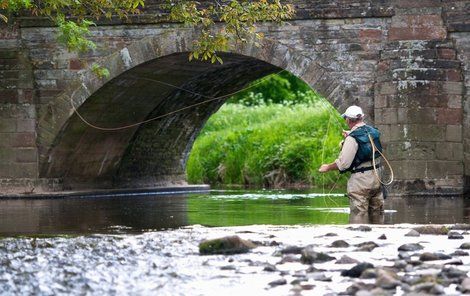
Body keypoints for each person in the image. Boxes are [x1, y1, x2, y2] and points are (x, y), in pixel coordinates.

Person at [319, 105, 384, 221]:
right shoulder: (373, 131)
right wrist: (350, 136)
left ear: (348, 120)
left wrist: (327, 167)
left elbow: (344, 165)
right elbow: (363, 140)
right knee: (377, 214)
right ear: (362, 118)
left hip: (361, 182)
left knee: (359, 215)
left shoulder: (352, 139)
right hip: (377, 178)